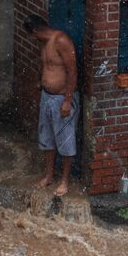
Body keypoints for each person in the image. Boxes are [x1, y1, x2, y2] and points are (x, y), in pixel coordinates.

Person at [24, 14, 79, 197]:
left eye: (32, 36)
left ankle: (64, 180)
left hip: (62, 99)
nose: (32, 40)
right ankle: (49, 175)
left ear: (36, 32)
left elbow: (72, 71)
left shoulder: (61, 41)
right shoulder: (44, 44)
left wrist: (68, 101)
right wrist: (41, 84)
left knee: (65, 140)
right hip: (47, 97)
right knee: (47, 139)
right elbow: (48, 67)